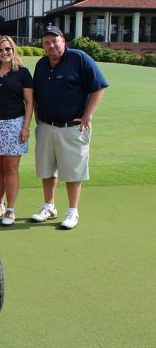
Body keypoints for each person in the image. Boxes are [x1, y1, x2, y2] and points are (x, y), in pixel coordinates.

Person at [31, 25, 108, 229]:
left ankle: (73, 211)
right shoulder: (41, 65)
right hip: (46, 126)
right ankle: (49, 206)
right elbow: (36, 96)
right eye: (46, 42)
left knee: (73, 172)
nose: (51, 45)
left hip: (73, 127)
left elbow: (98, 87)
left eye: (55, 40)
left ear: (63, 41)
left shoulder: (79, 58)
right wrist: (38, 117)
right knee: (47, 170)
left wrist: (87, 115)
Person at [0, 36, 33, 226]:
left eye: (8, 49)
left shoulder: (23, 73)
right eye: (1, 50)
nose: (5, 53)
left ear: (13, 51)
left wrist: (26, 126)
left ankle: (11, 210)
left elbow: (29, 103)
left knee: (11, 168)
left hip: (15, 125)